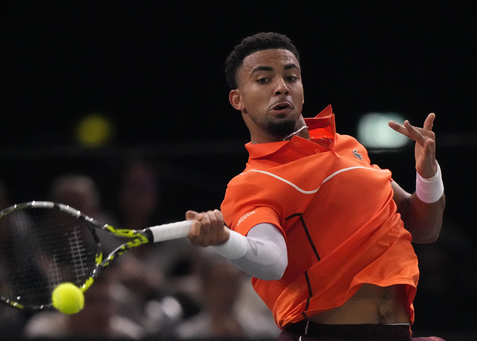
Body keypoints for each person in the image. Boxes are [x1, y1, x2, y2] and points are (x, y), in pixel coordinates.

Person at [185, 32, 446, 341]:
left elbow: (424, 229)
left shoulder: (347, 147)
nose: (281, 87)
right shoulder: (252, 183)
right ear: (237, 99)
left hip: (398, 333)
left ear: (302, 88)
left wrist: (428, 175)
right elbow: (271, 262)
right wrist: (224, 240)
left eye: (291, 77)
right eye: (264, 80)